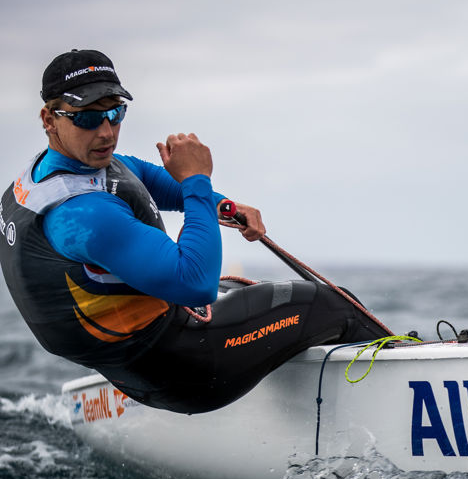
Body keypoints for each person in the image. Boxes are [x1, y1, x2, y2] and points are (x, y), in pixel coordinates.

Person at [0, 49, 390, 414]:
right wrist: (198, 180)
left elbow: (149, 180)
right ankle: (402, 385)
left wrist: (223, 206)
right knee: (328, 303)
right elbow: (195, 283)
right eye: (86, 117)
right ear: (49, 119)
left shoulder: (47, 178)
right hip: (192, 370)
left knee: (251, 296)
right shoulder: (82, 214)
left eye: (115, 114)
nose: (105, 132)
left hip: (133, 369)